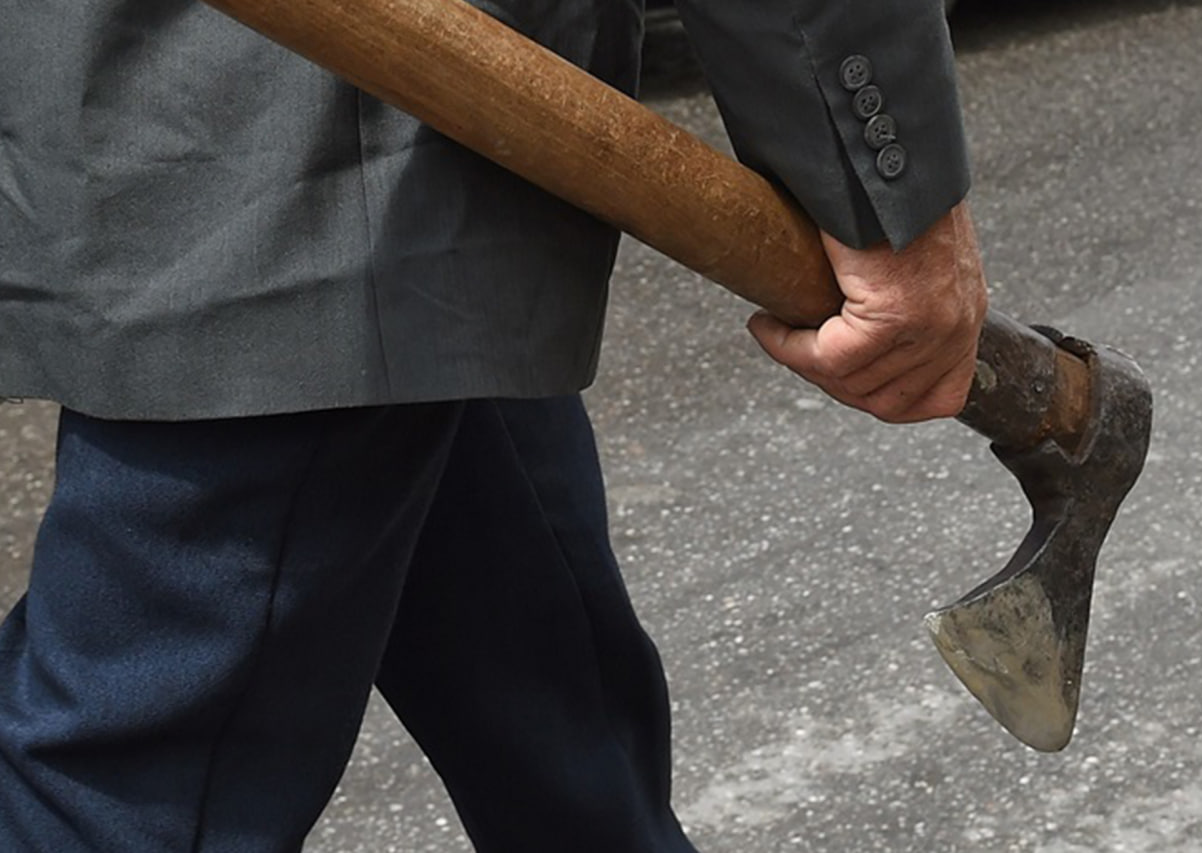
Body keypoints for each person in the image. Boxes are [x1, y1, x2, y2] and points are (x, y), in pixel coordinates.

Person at [0, 0, 987, 849]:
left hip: (357, 130)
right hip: (308, 142)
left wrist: (878, 179)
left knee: (556, 741)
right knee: (115, 795)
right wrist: (881, 195)